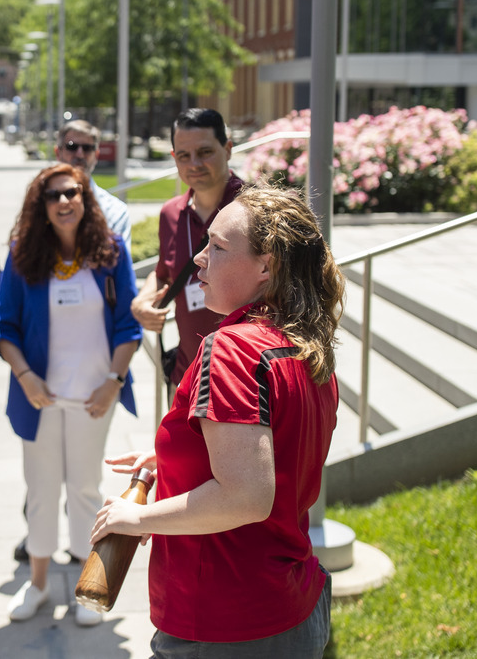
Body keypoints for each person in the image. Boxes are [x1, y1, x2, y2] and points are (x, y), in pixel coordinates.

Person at [94, 184, 343, 657]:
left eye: (218, 247)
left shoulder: (233, 348)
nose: (200, 259)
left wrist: (136, 518)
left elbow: (246, 496)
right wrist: (176, 459)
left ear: (267, 266)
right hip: (289, 605)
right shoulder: (305, 343)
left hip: (226, 623)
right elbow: (277, 448)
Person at [0, 163, 141, 628]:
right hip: (40, 398)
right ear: (41, 205)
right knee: (40, 490)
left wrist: (113, 382)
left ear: (85, 198)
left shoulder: (110, 252)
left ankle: (87, 583)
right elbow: (4, 326)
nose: (63, 201)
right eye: (53, 195)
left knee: (83, 488)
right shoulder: (22, 255)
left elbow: (128, 326)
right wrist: (25, 377)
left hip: (94, 397)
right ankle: (37, 585)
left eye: (72, 193)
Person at [131, 108, 244, 388]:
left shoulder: (257, 209)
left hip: (246, 380)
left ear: (227, 149)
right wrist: (141, 302)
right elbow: (163, 272)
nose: (194, 163)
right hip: (188, 379)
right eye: (184, 155)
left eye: (205, 152)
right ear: (174, 158)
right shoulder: (171, 214)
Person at [55, 120, 132, 251]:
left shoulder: (116, 212)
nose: (80, 154)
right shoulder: (38, 203)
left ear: (96, 155)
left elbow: (119, 266)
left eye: (87, 148)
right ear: (58, 152)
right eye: (72, 146)